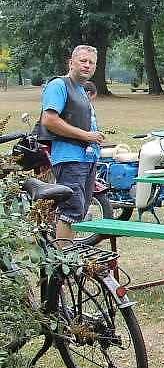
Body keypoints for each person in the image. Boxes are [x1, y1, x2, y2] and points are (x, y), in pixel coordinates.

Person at [39, 45, 105, 241]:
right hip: (69, 158)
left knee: (80, 210)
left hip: (86, 158)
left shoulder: (82, 90)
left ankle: (67, 257)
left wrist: (95, 138)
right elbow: (49, 120)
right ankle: (63, 262)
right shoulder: (59, 85)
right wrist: (86, 136)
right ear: (71, 62)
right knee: (71, 210)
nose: (87, 65)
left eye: (91, 62)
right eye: (82, 61)